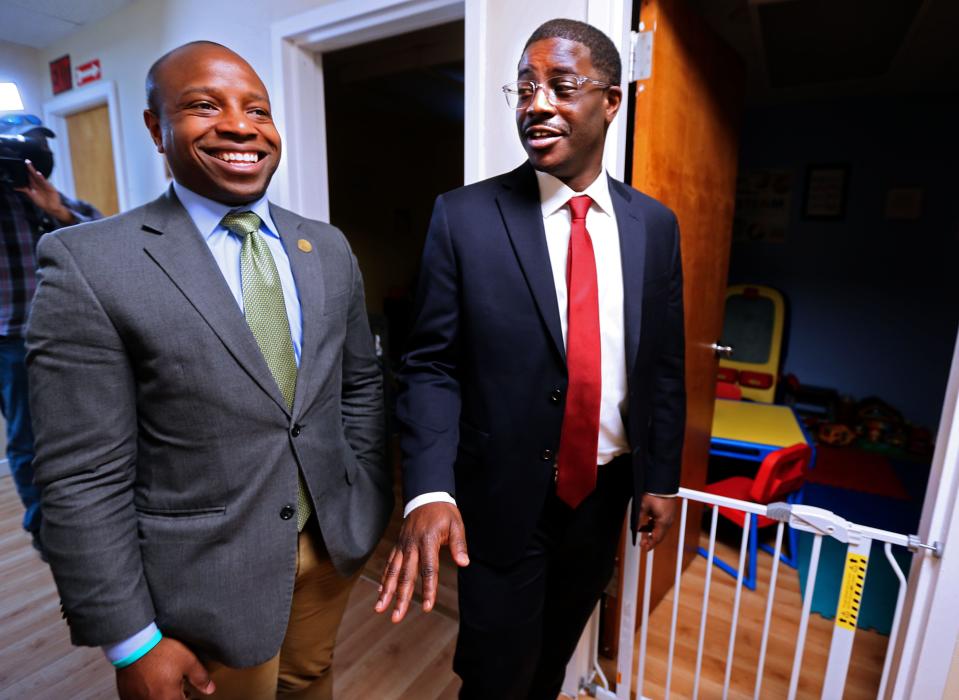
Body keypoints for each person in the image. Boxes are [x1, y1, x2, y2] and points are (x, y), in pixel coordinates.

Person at [26, 42, 391, 700]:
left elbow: (359, 383)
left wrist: (362, 494)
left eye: (257, 109)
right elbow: (80, 477)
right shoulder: (90, 263)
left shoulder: (326, 247)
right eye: (203, 105)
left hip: (327, 550)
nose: (239, 125)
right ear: (153, 128)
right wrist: (130, 638)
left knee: (310, 683)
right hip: (201, 584)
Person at [376, 18, 686, 699]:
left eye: (560, 85)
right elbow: (429, 364)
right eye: (523, 87)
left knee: (551, 658)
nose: (535, 103)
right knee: (493, 672)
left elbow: (661, 366)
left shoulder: (654, 227)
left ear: (610, 101)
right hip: (499, 496)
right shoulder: (463, 217)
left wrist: (659, 478)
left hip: (602, 495)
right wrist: (428, 487)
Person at [0, 114, 101, 557]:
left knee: (81, 429)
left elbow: (102, 241)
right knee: (27, 439)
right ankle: (45, 530)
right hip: (9, 342)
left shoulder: (52, 203)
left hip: (65, 335)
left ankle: (85, 515)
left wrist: (55, 208)